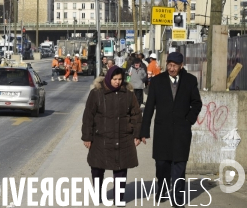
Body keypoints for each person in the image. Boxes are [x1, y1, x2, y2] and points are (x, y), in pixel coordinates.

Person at [139, 52, 202, 206]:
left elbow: (197, 103)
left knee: (179, 167)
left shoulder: (190, 81)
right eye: (169, 65)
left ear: (181, 66)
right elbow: (149, 107)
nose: (171, 68)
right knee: (162, 166)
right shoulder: (157, 81)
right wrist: (144, 131)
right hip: (162, 131)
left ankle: (178, 200)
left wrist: (189, 120)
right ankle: (162, 190)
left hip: (181, 131)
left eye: (175, 65)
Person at [82, 66, 142, 205]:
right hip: (100, 138)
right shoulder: (96, 93)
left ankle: (118, 198)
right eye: (114, 79)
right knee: (97, 168)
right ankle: (97, 194)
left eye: (120, 79)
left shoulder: (128, 94)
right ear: (109, 78)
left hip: (123, 137)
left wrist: (137, 134)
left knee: (120, 169)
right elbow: (88, 116)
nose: (117, 82)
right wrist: (87, 137)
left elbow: (136, 115)